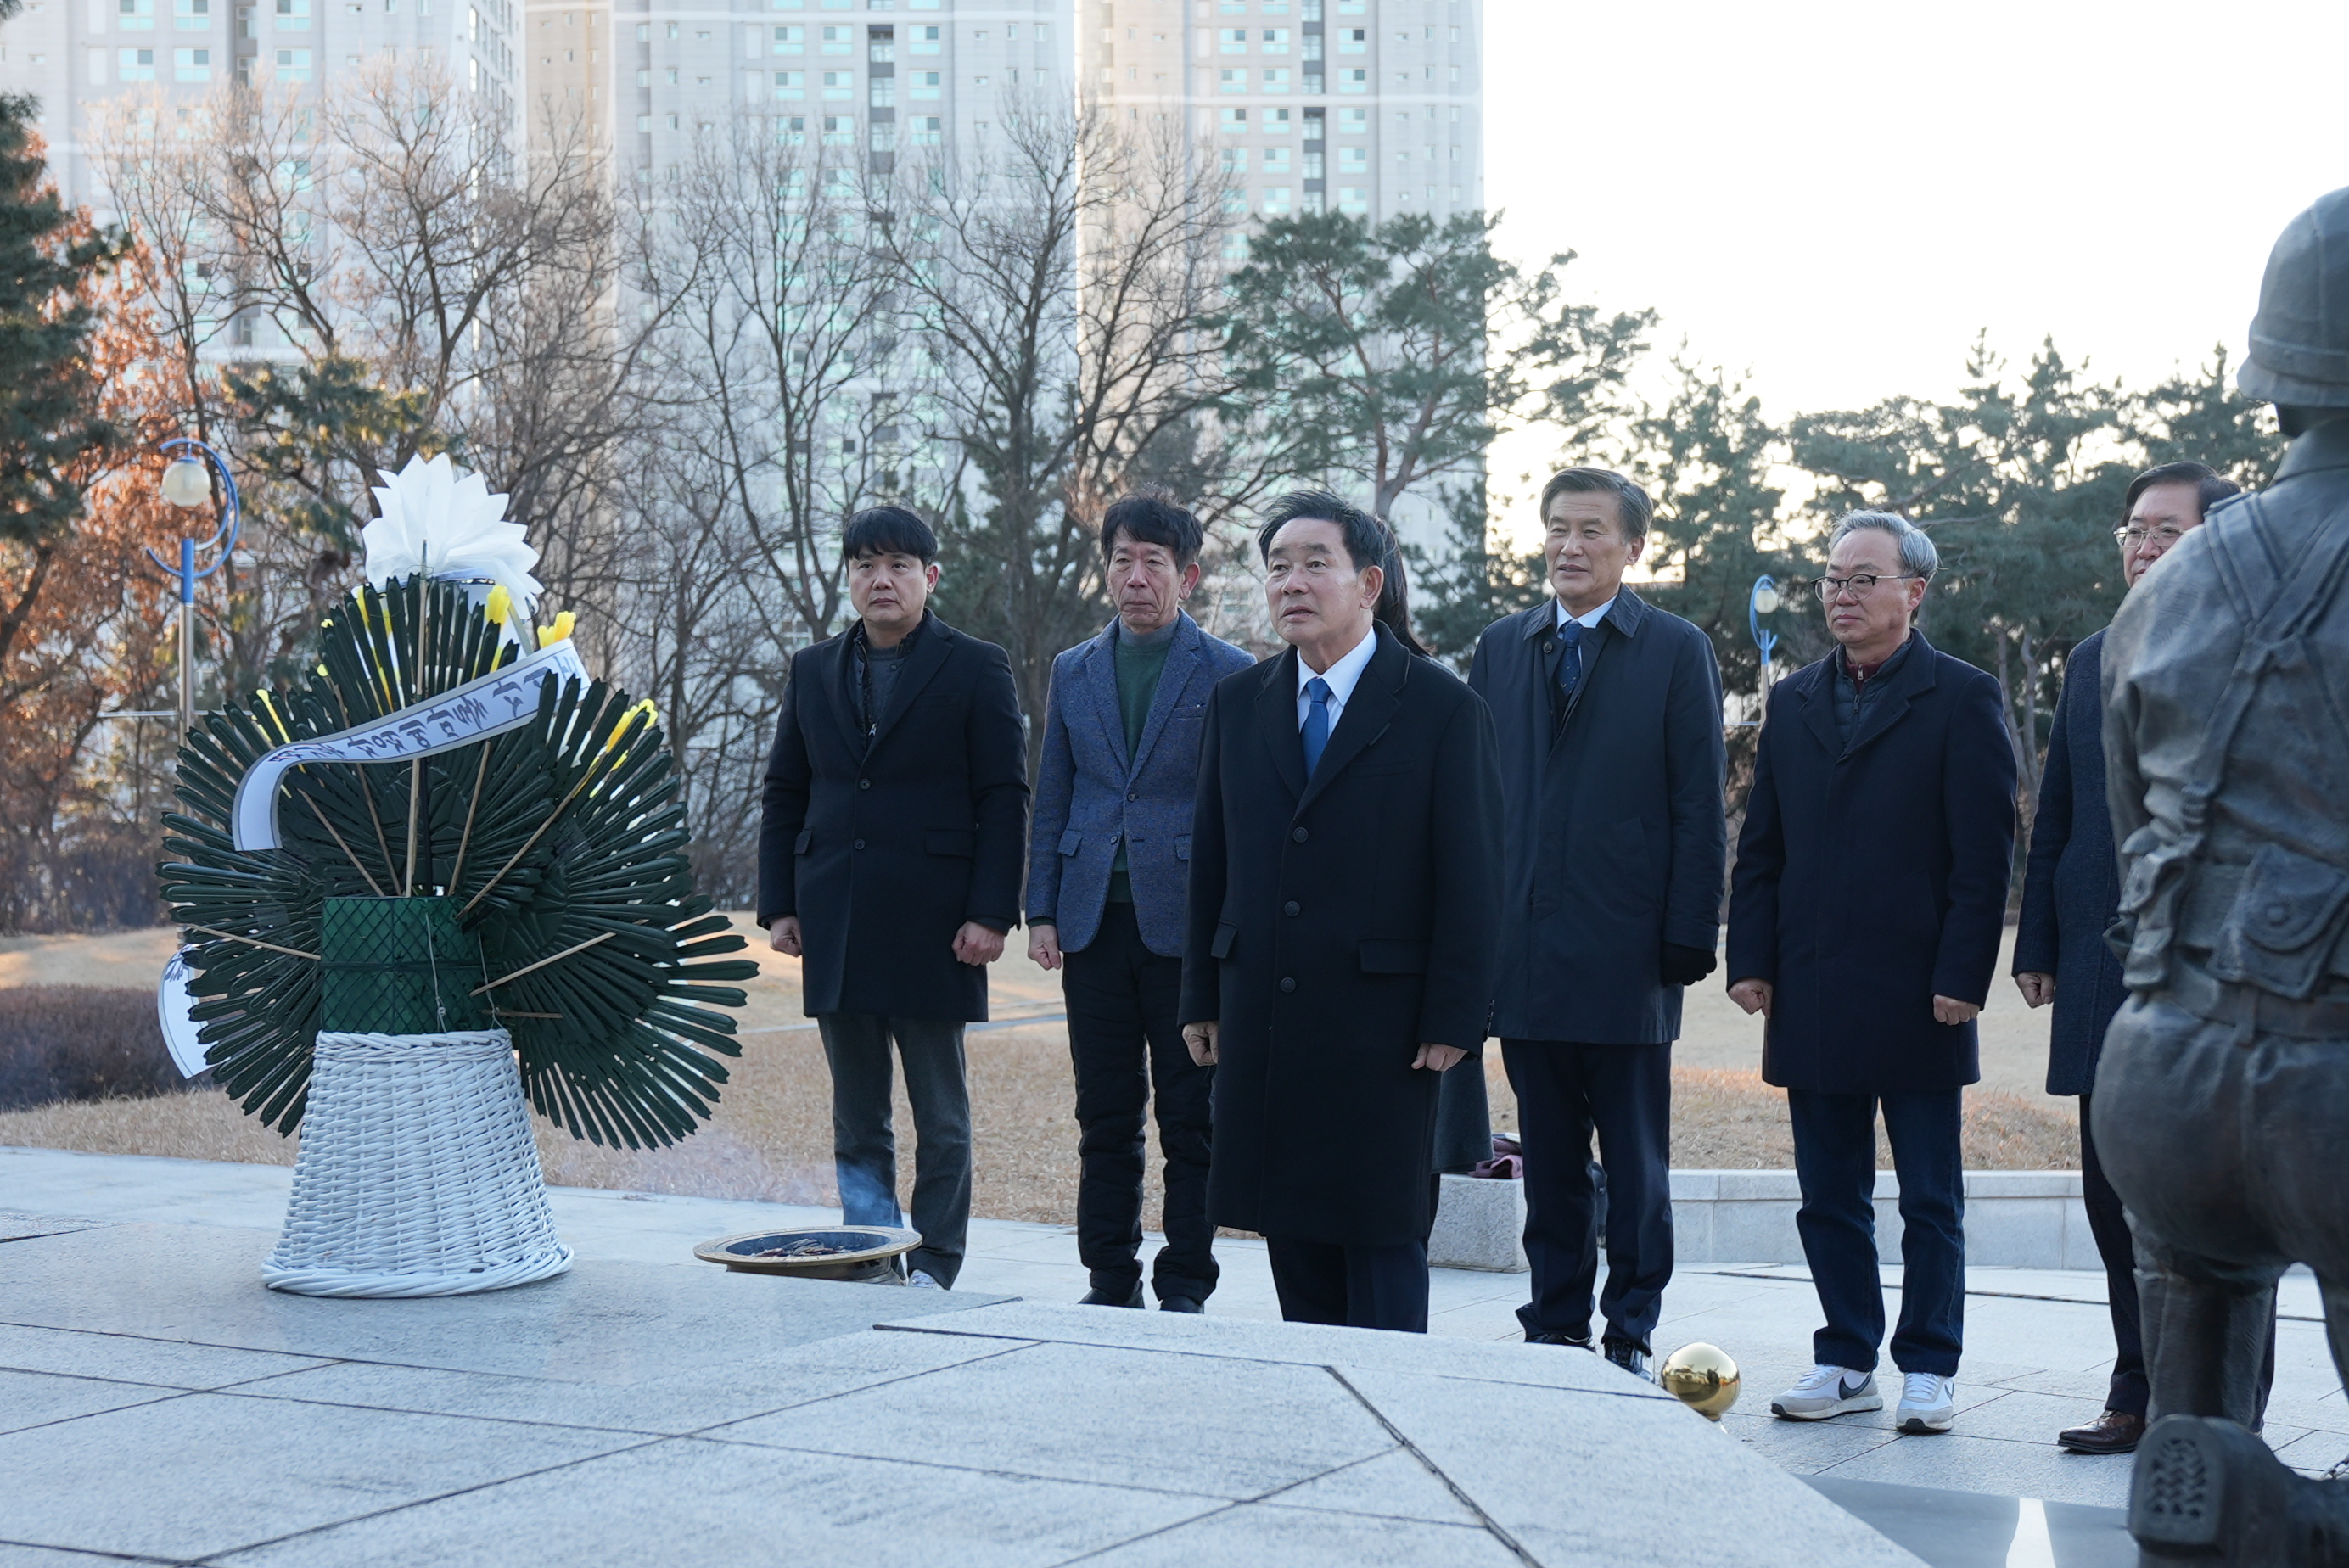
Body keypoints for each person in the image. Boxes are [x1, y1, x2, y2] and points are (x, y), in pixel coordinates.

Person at [2102, 187, 2349, 1565]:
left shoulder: (2170, 583)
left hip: (2161, 1074)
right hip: (2337, 1081)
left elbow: (2134, 824)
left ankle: (2209, 1509)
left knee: (2187, 1459)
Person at [1180, 490, 1502, 1334]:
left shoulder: (1439, 708)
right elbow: (1210, 862)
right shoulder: (1238, 703)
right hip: (1266, 1013)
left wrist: (1455, 1017)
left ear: (1368, 583)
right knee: (1293, 1235)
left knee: (1382, 1238)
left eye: (1314, 563)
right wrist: (1201, 997)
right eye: (1277, 567)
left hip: (1385, 1028)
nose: (1290, 582)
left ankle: (1390, 1404)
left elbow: (1473, 878)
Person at [1726, 510, 2015, 1435]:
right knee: (1828, 1197)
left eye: (1863, 579)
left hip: (1920, 990)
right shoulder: (1794, 701)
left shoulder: (1961, 696)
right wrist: (1750, 960)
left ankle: (1928, 1365)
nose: (1841, 595)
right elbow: (1761, 848)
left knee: (1929, 1197)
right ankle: (1847, 1357)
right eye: (1832, 579)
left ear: (1913, 591)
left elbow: (1983, 859)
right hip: (1811, 986)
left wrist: (1963, 974)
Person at [1466, 468, 1727, 1378]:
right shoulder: (1502, 647)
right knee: (1547, 1157)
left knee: (1635, 1160)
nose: (1568, 547)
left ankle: (1630, 1326)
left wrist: (1688, 931)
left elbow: (1699, 802)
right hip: (1525, 950)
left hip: (1629, 951)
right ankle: (1553, 1321)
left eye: (1590, 531)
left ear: (1632, 547)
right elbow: (1475, 801)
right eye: (1556, 529)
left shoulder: (1674, 649)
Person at [2011, 462, 2243, 1456]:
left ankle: (2216, 1413)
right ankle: (2132, 1391)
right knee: (2111, 1198)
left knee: (2216, 1214)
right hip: (2102, 967)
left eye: (2165, 530)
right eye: (2132, 531)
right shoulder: (2091, 658)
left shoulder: (2257, 649)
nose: (2142, 546)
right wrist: (2037, 941)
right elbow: (2059, 814)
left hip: (2218, 979)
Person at [756, 506, 1029, 1291]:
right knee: (857, 1116)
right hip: (835, 917)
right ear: (849, 578)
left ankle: (936, 1261)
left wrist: (990, 912)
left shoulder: (976, 666)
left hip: (936, 924)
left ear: (929, 577)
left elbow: (1003, 795)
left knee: (941, 1115)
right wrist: (781, 902)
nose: (882, 580)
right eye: (866, 565)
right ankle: (869, 1250)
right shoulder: (813, 669)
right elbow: (786, 790)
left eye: (900, 565)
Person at [1026, 492, 1253, 1313]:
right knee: (1104, 1113)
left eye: (1153, 562)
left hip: (1185, 927)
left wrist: (1231, 927)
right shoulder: (1073, 668)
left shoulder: (1229, 670)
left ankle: (1186, 1280)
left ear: (1186, 577)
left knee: (1190, 1118)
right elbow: (1054, 793)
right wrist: (1040, 910)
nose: (1135, 577)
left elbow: (1239, 808)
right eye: (1122, 560)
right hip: (1090, 922)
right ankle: (1108, 1277)